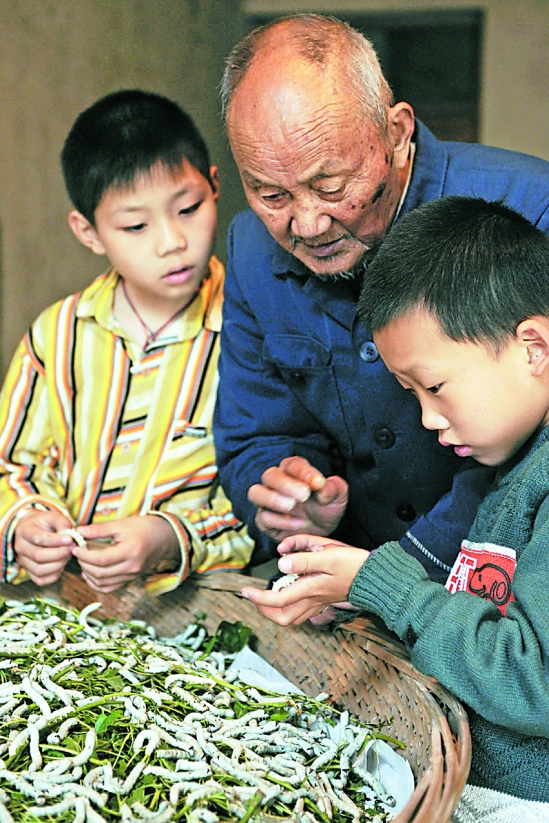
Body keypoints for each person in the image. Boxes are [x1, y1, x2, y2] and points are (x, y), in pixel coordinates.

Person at [214, 13, 549, 596]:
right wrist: (289, 498)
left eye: (330, 186)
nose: (308, 224)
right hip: (338, 586)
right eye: (270, 194)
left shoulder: (530, 209)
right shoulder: (250, 251)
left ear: (397, 133)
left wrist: (384, 581)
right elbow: (255, 433)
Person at [241, 196, 549, 819]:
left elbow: (534, 680)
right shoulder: (506, 461)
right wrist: (361, 589)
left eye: (434, 387)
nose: (428, 419)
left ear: (533, 348)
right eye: (412, 394)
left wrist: (392, 589)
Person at [0, 89, 254, 594]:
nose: (171, 242)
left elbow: (263, 511)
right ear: (89, 232)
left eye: (188, 208)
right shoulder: (56, 336)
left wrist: (168, 538)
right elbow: (11, 466)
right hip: (60, 606)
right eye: (135, 225)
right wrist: (25, 520)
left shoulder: (249, 335)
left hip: (193, 616)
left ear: (214, 185)